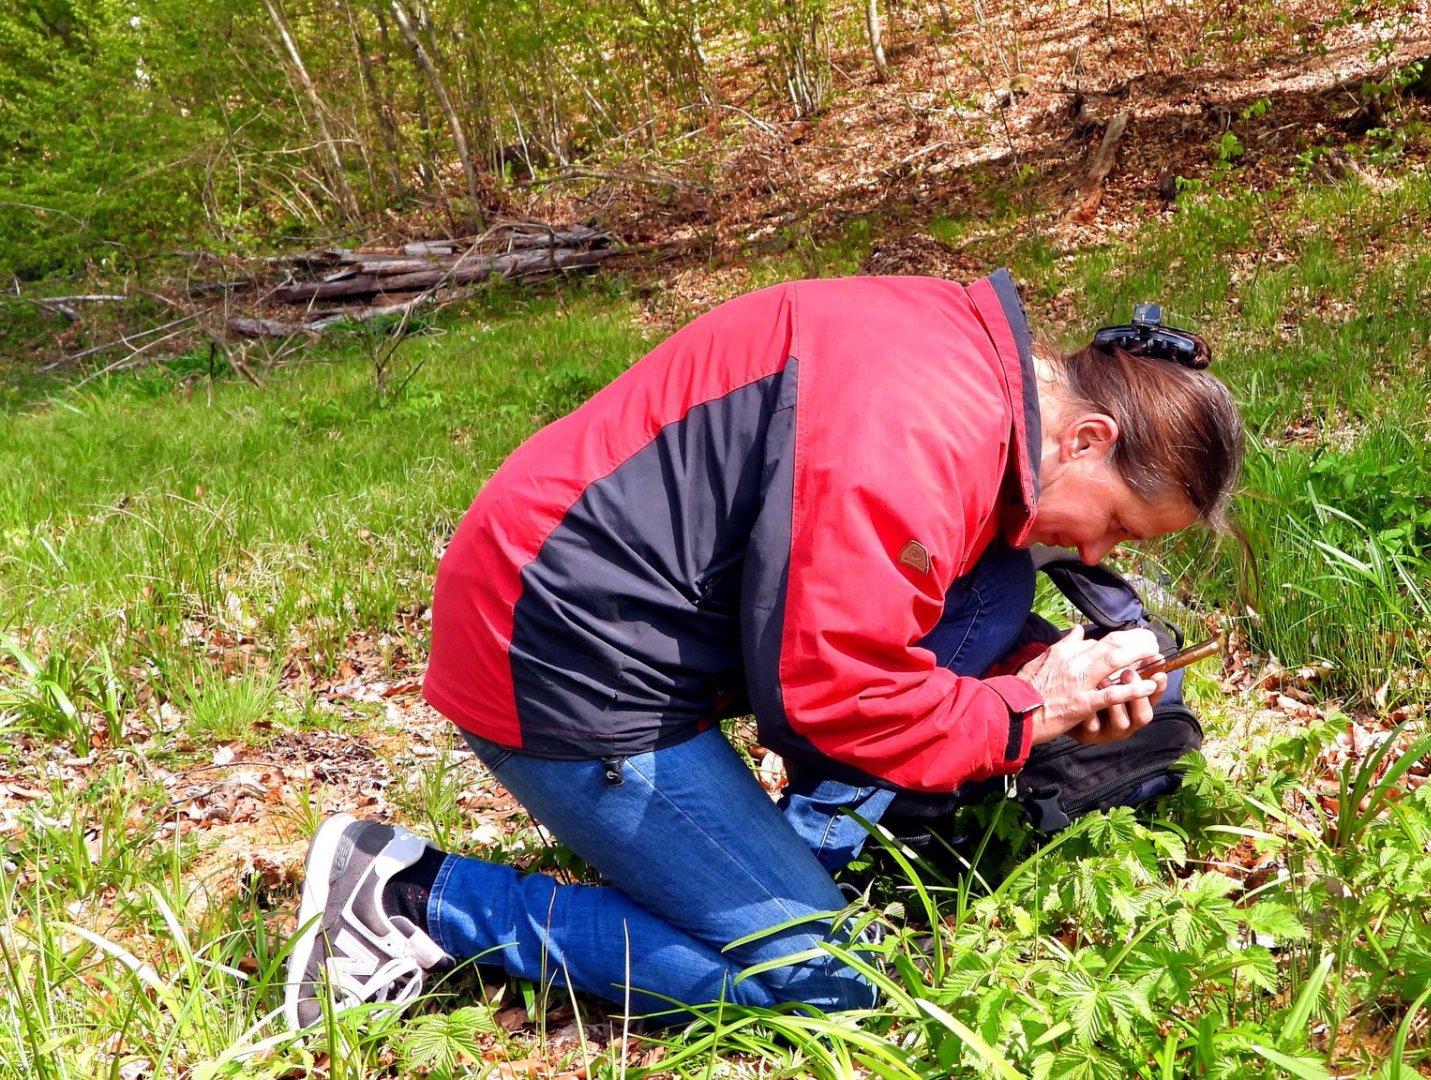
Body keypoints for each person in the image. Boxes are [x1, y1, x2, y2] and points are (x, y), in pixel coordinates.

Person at [282, 270, 1244, 1029]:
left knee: (993, 581)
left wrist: (1036, 669)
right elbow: (837, 690)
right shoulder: (917, 431)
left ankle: (797, 845)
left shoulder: (975, 375)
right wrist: (1033, 708)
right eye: (1117, 525)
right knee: (831, 983)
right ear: (1085, 438)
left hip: (607, 600)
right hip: (561, 648)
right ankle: (415, 898)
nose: (1095, 554)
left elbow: (898, 605)